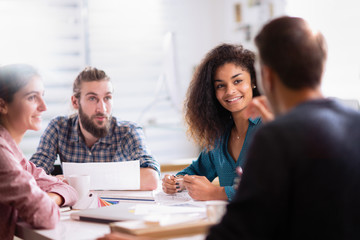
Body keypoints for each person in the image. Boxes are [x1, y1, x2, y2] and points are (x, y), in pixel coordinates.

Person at [206, 16, 360, 239]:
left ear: (266, 76)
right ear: (321, 66)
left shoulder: (276, 137)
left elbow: (235, 232)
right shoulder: (355, 122)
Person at [30, 67, 160, 190]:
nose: (102, 108)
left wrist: (72, 181)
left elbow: (151, 179)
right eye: (92, 98)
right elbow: (30, 177)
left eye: (107, 98)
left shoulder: (129, 131)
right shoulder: (59, 128)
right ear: (75, 102)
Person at [162, 43, 262, 201]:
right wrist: (177, 182)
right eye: (221, 86)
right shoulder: (220, 135)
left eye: (237, 81)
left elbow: (270, 189)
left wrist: (215, 193)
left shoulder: (270, 127)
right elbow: (196, 170)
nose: (230, 91)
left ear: (253, 81)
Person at [0, 64, 78, 240]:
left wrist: (44, 197)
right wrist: (45, 199)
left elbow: (69, 190)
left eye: (42, 96)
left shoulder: (13, 153)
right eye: (32, 97)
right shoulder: (2, 155)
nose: (44, 107)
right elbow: (45, 215)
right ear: (2, 105)